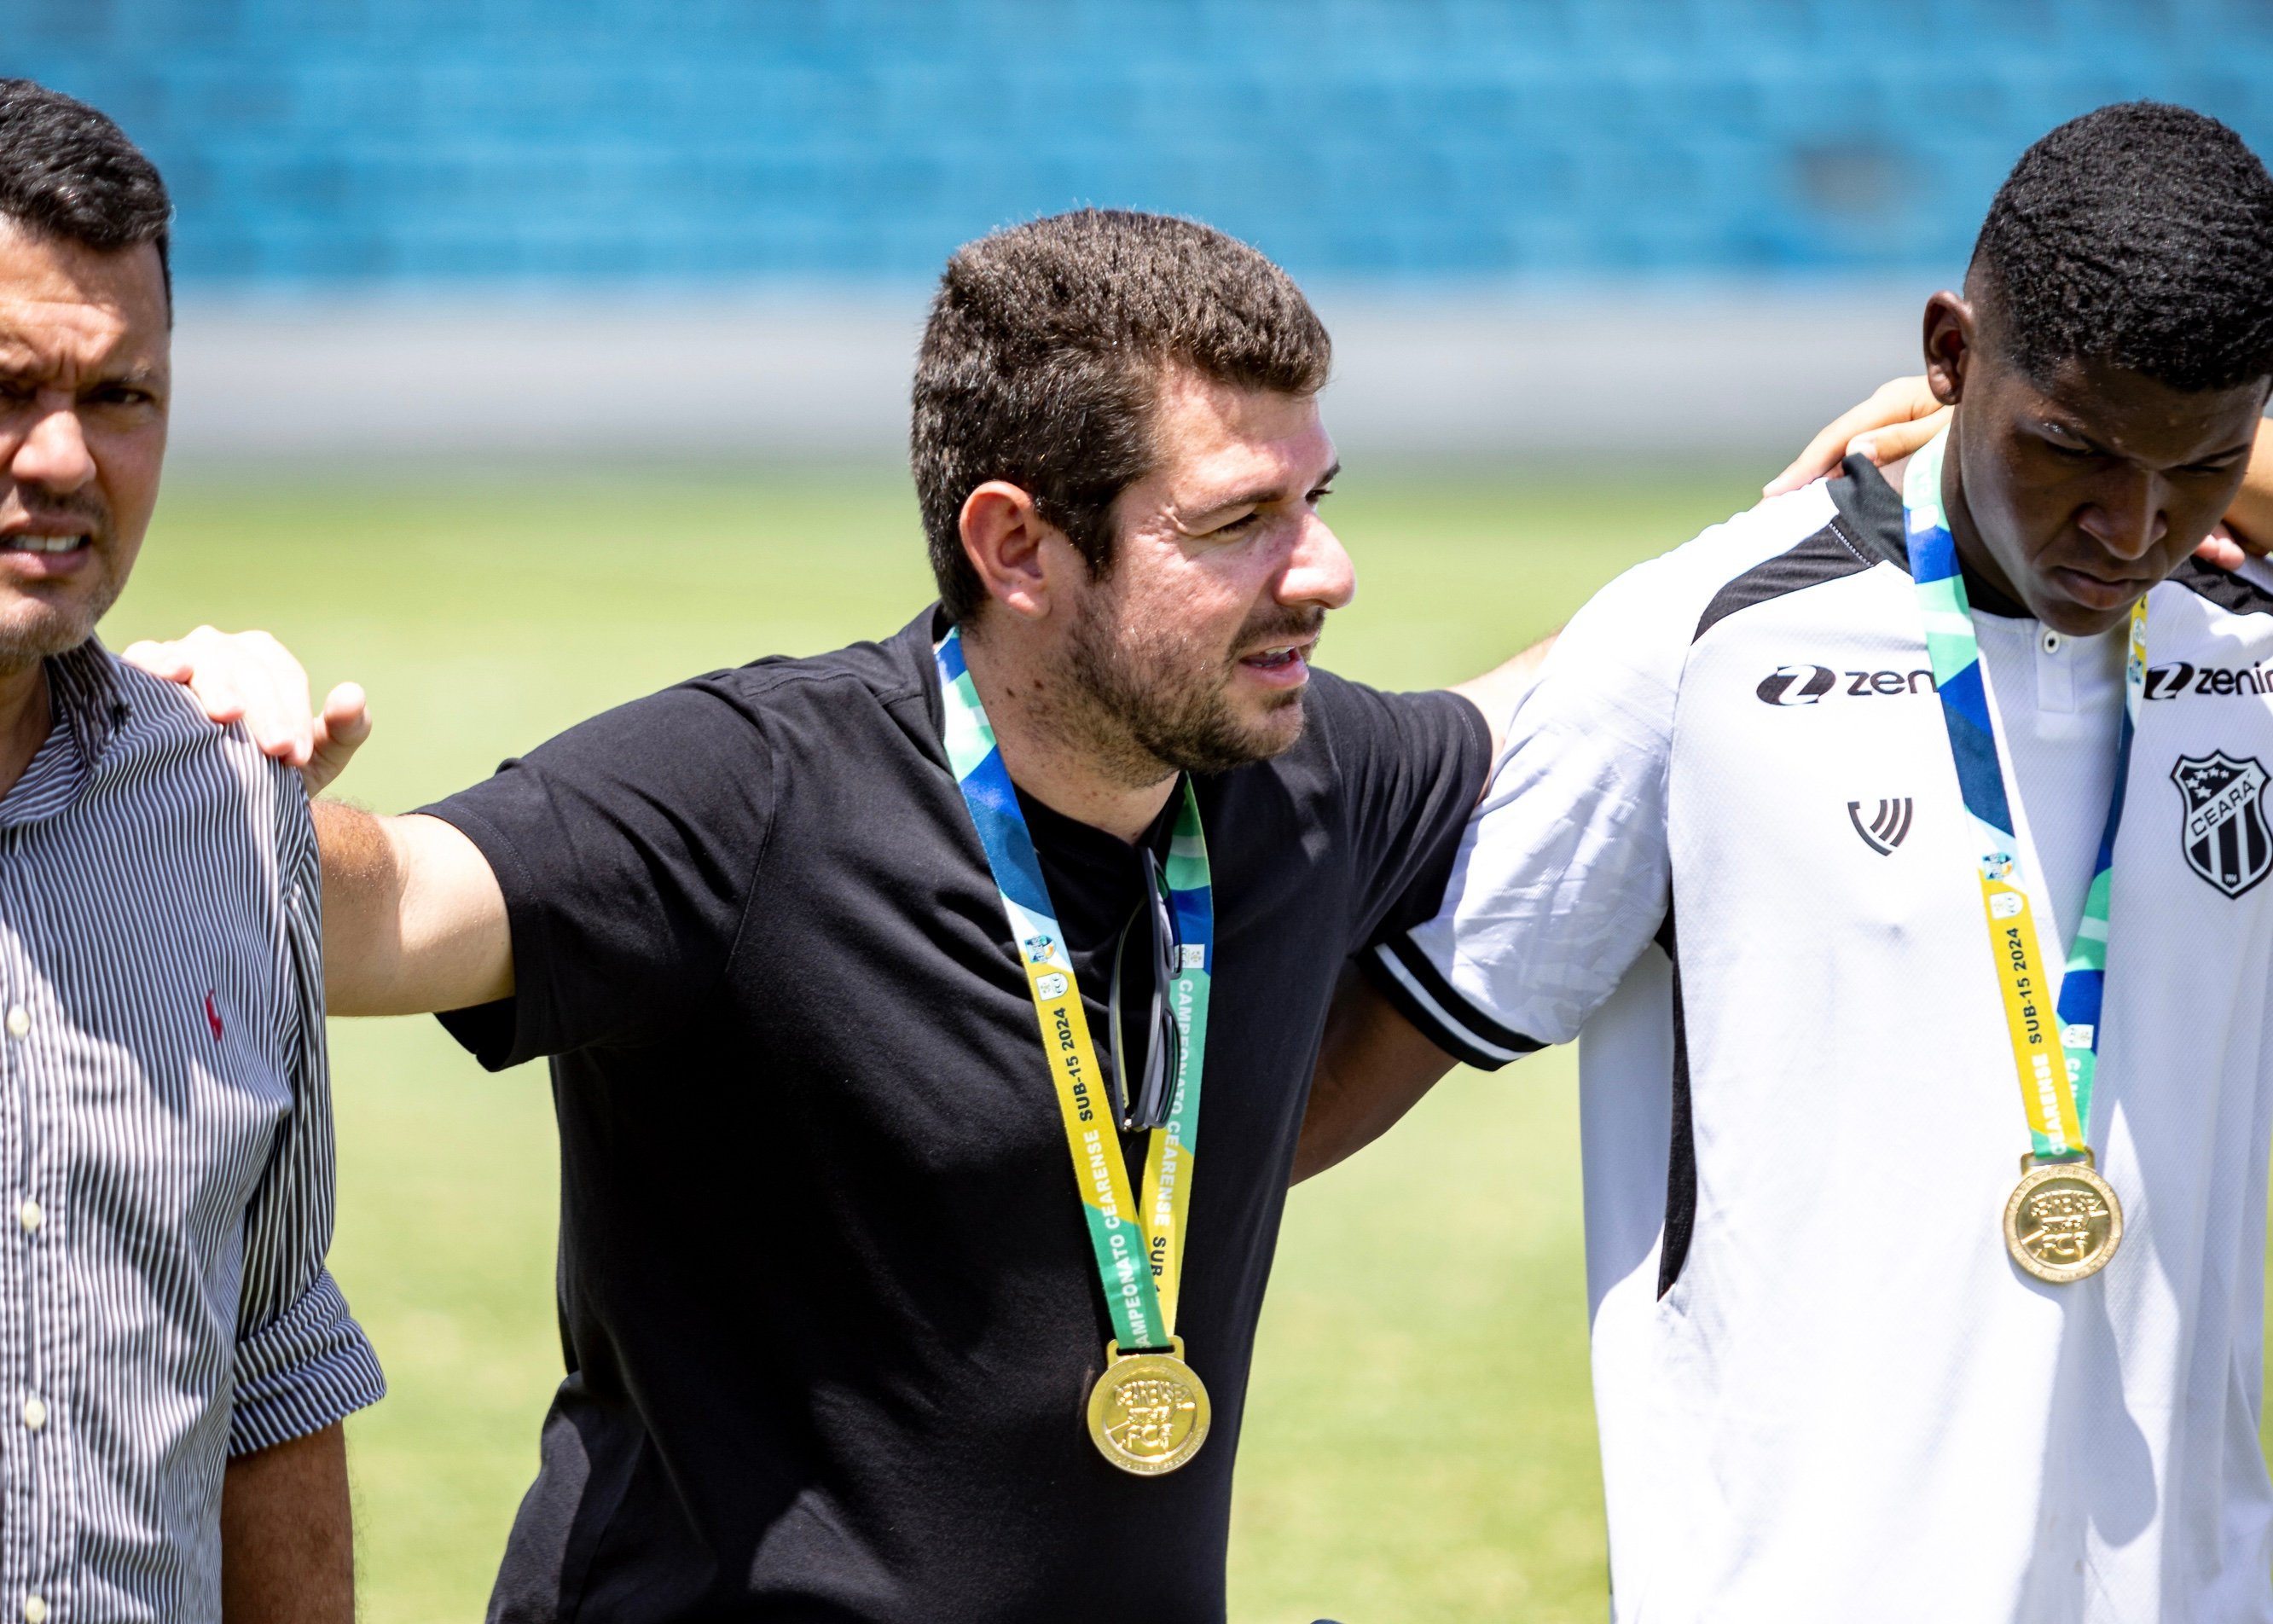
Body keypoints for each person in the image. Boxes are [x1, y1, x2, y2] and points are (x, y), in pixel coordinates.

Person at [138, 217, 1954, 1615]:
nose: (1321, 573)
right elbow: (390, 909)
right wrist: (207, 758)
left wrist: (1785, 535)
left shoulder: (1299, 774)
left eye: (1316, 502)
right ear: (1016, 545)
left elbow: (1547, 699)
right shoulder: (744, 793)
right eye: (1239, 521)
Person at [1304, 102, 2273, 1621]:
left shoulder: (2247, 649)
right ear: (1949, 357)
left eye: (2201, 465)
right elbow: (1353, 1075)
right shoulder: (1697, 644)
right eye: (2071, 450)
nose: (2132, 526)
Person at [0, 81, 384, 1624]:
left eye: (120, 397)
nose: (63, 461)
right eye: (8, 384)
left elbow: (272, 1356)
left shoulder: (229, 811)